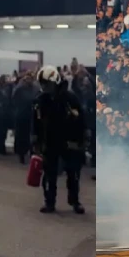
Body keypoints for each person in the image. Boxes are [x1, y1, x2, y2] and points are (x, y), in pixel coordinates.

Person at [34, 66, 86, 214]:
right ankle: (49, 202)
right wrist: (36, 141)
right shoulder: (40, 100)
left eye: (47, 84)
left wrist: (82, 139)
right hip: (50, 142)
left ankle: (75, 201)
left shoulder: (70, 98)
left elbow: (81, 119)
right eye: (42, 84)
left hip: (69, 142)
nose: (44, 87)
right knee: (49, 175)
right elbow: (36, 122)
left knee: (73, 174)